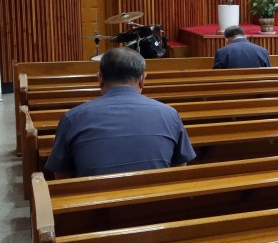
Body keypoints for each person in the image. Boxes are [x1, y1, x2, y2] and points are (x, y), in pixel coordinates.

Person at [45, 48, 196, 178]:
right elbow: (180, 168)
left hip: (94, 208)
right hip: (156, 207)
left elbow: (62, 177)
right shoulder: (169, 114)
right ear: (143, 79)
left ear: (100, 79)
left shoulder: (72, 118)